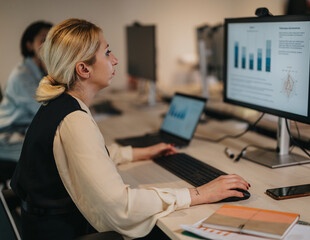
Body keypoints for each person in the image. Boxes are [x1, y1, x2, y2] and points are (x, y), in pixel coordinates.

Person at [11, 18, 250, 240]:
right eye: (107, 53)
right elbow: (121, 207)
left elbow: (86, 157)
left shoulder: (59, 104)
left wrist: (138, 153)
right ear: (83, 69)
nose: (114, 60)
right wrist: (198, 194)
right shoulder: (74, 119)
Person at [0, 21, 53, 161]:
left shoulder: (40, 71)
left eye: (52, 39)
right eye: (43, 39)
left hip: (26, 131)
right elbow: (44, 110)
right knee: (53, 156)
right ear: (29, 45)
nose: (49, 44)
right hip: (9, 136)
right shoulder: (22, 75)